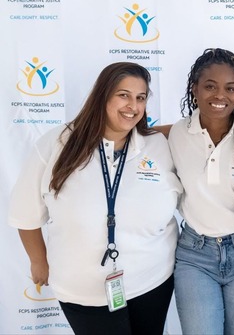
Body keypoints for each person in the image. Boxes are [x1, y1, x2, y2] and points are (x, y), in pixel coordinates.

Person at [8, 62, 182, 335]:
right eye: (123, 95)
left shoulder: (157, 145)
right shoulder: (57, 144)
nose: (132, 106)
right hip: (81, 291)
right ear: (102, 96)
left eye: (140, 97)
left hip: (151, 282)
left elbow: (194, 130)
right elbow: (25, 212)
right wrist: (38, 261)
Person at [168, 48, 234, 334]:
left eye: (230, 88)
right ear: (195, 89)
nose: (219, 96)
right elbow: (142, 138)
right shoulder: (178, 134)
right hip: (195, 257)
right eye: (210, 86)